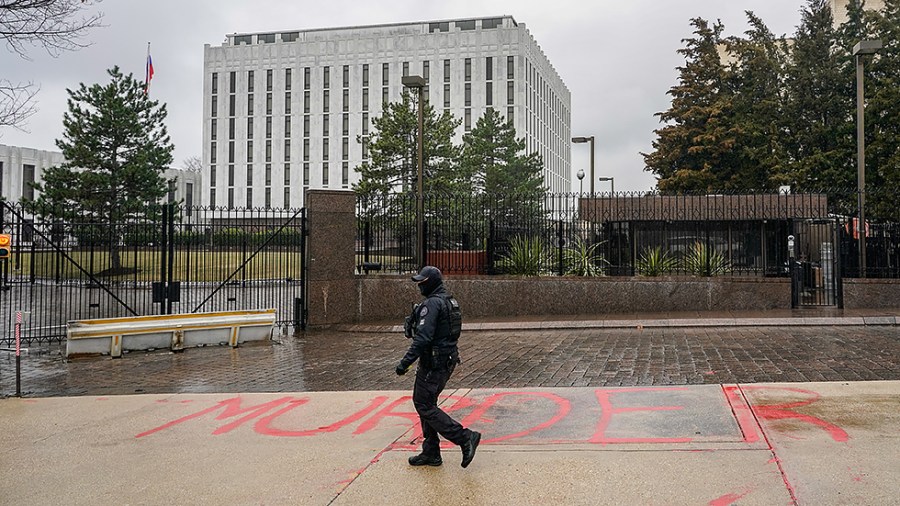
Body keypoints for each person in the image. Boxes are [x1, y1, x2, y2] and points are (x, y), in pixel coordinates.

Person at [395, 265, 481, 468]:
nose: (419, 287)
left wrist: (405, 363)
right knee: (427, 403)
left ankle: (464, 437)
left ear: (431, 283)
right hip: (446, 360)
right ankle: (431, 451)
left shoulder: (432, 304)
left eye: (422, 283)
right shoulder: (449, 301)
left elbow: (423, 338)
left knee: (423, 404)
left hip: (433, 363)